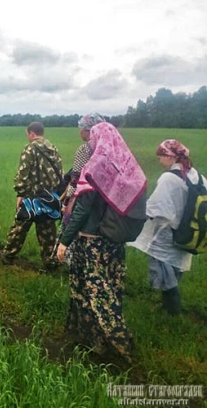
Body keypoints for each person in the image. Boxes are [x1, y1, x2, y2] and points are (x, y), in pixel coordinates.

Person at [56, 122, 147, 362]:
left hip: (92, 242)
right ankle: (90, 339)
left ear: (97, 139)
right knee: (107, 289)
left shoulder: (96, 166)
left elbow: (83, 209)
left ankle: (122, 347)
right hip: (113, 241)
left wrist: (64, 241)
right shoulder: (125, 166)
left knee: (97, 293)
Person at [130, 140, 203, 316]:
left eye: (160, 157)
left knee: (163, 268)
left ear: (170, 157)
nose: (159, 161)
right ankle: (169, 307)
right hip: (188, 231)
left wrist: (134, 215)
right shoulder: (195, 175)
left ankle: (172, 310)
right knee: (175, 267)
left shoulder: (169, 178)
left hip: (168, 231)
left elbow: (156, 208)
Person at [0, 122, 63, 270]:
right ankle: (50, 262)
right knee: (47, 230)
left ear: (31, 133)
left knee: (20, 226)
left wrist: (20, 193)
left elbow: (23, 173)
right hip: (48, 197)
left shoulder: (30, 149)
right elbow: (60, 172)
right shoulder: (53, 148)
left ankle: (7, 256)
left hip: (31, 196)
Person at [58, 112, 107, 265]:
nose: (79, 131)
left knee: (74, 230)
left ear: (88, 130)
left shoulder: (84, 150)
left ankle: (72, 263)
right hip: (105, 205)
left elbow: (75, 180)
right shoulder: (109, 149)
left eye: (81, 128)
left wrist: (66, 203)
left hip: (83, 199)